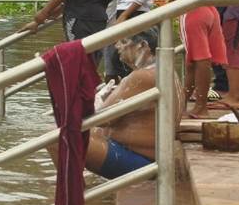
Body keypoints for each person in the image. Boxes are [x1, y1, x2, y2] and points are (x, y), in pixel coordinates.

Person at [50, 30, 180, 179]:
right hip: (148, 156)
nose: (117, 46)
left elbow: (103, 119)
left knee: (56, 138)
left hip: (141, 162)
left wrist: (97, 101)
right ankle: (78, 185)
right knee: (71, 129)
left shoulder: (143, 76)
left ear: (142, 46)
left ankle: (74, 195)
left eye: (123, 41)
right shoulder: (162, 71)